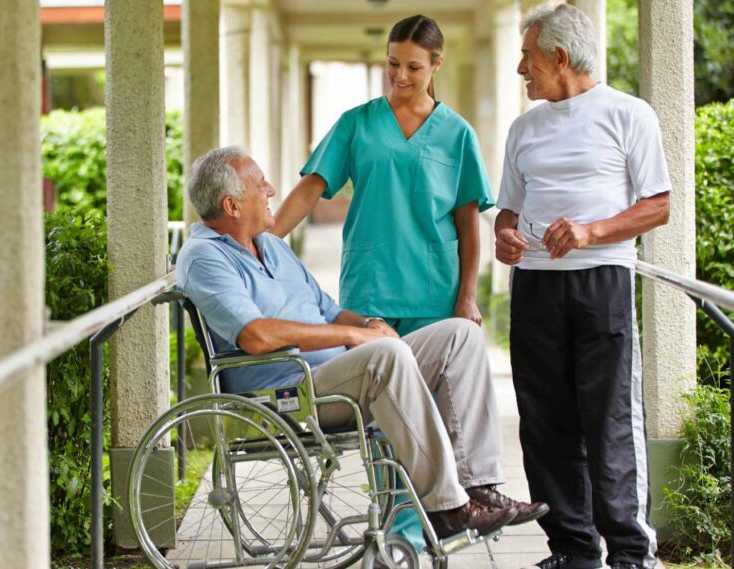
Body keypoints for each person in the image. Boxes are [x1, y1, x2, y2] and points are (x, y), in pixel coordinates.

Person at [177, 145, 548, 542]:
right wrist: (356, 337)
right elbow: (256, 335)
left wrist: (369, 323)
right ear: (232, 206)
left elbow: (330, 311)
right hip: (287, 393)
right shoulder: (204, 258)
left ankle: (477, 488)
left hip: (338, 376)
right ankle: (448, 509)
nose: (270, 189)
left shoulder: (272, 246)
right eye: (259, 184)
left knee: (461, 335)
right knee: (382, 355)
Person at [494, 5, 671, 569]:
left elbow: (658, 205)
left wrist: (592, 230)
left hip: (603, 285)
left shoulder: (629, 114)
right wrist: (505, 238)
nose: (521, 68)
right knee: (545, 422)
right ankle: (572, 550)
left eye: (528, 56)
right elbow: (507, 212)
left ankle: (629, 552)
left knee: (610, 418)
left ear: (559, 57)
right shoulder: (523, 129)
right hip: (535, 289)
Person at [271, 14, 493, 337]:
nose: (400, 76)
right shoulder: (356, 123)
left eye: (414, 67)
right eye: (393, 63)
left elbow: (468, 223)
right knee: (370, 384)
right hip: (369, 290)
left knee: (427, 388)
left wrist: (468, 298)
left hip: (434, 294)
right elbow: (310, 189)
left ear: (437, 64)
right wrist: (262, 242)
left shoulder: (458, 134)